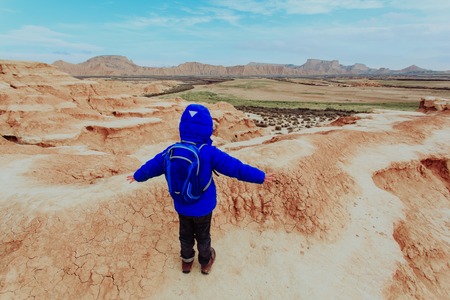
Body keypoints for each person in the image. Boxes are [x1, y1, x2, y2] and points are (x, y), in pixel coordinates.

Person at [127, 103, 275, 275]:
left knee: (185, 235)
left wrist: (137, 176)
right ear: (207, 128)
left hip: (181, 204)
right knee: (203, 236)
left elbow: (152, 166)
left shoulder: (172, 151)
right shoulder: (209, 152)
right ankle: (205, 262)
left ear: (182, 127)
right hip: (203, 206)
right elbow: (236, 168)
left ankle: (186, 262)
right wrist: (260, 177)